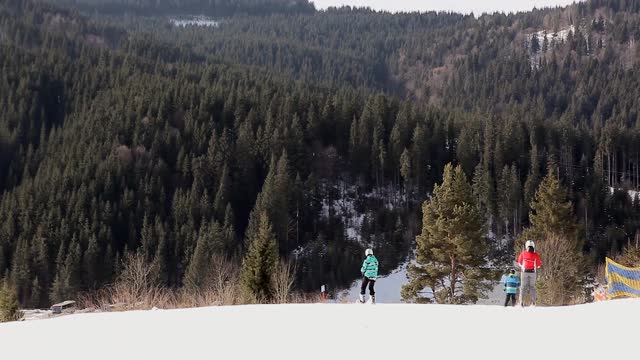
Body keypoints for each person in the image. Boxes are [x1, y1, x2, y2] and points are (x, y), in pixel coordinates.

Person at [517, 240, 542, 306]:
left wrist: (522, 266)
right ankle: (534, 302)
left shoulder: (523, 253)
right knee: (532, 287)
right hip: (533, 272)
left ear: (526, 246)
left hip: (524, 272)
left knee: (523, 287)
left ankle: (521, 302)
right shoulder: (536, 255)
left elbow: (519, 262)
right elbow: (539, 265)